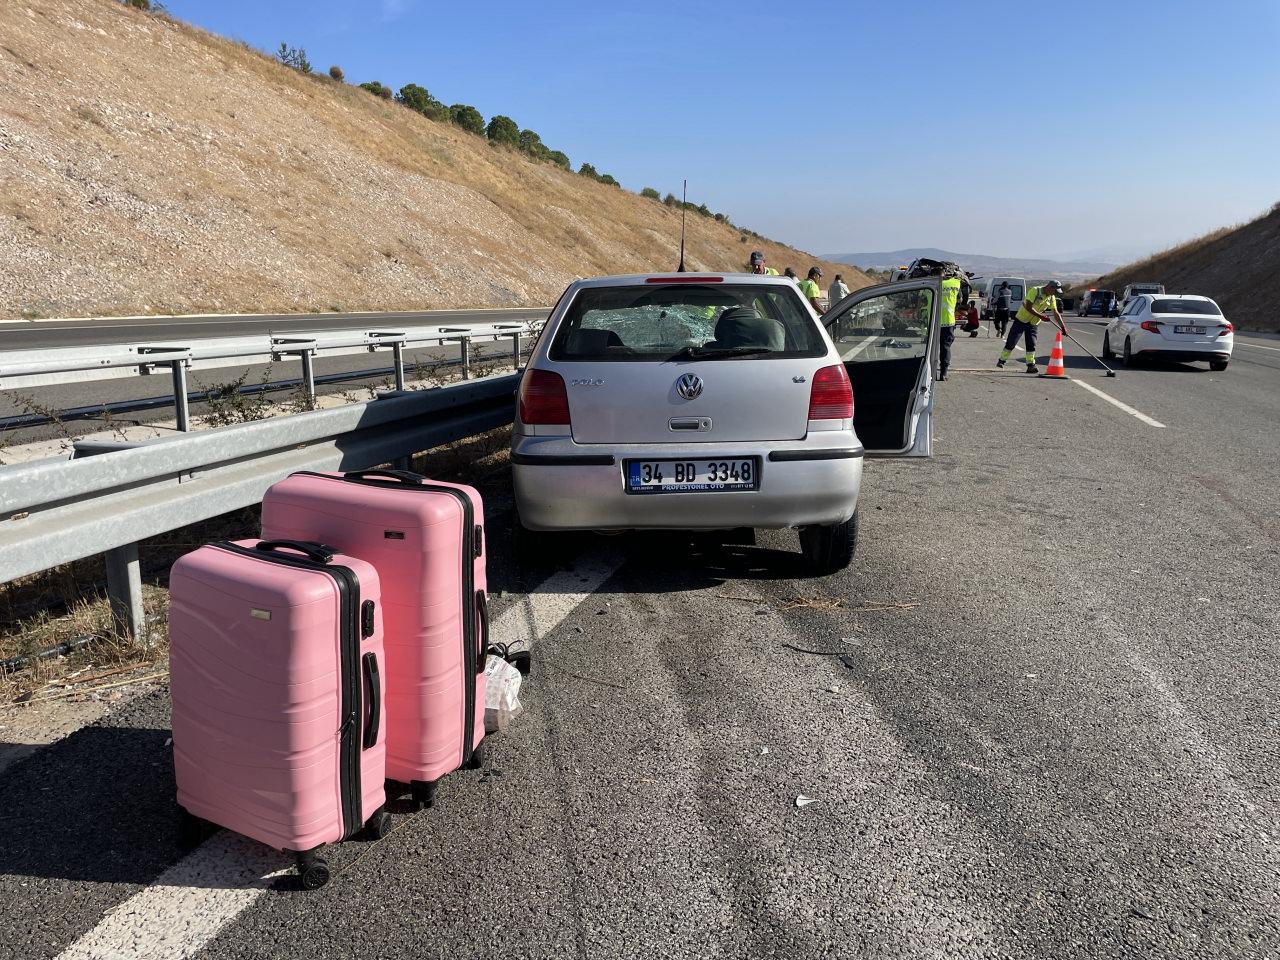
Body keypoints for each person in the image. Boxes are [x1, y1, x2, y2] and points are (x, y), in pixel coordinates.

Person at [997, 279, 1065, 374]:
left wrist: (1063, 327)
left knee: (1031, 344)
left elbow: (1056, 313)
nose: (1055, 294)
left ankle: (1031, 365)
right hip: (1021, 320)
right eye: (1054, 291)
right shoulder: (1035, 290)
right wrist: (1041, 316)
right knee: (1012, 341)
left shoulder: (1051, 297)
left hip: (1033, 323)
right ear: (1050, 287)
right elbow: (1028, 307)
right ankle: (1001, 360)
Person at [938, 273, 961, 380]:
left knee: (928, 347)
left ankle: (926, 372)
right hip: (948, 321)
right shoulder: (956, 283)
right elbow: (960, 300)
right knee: (945, 347)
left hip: (932, 321)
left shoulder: (931, 283)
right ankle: (944, 373)